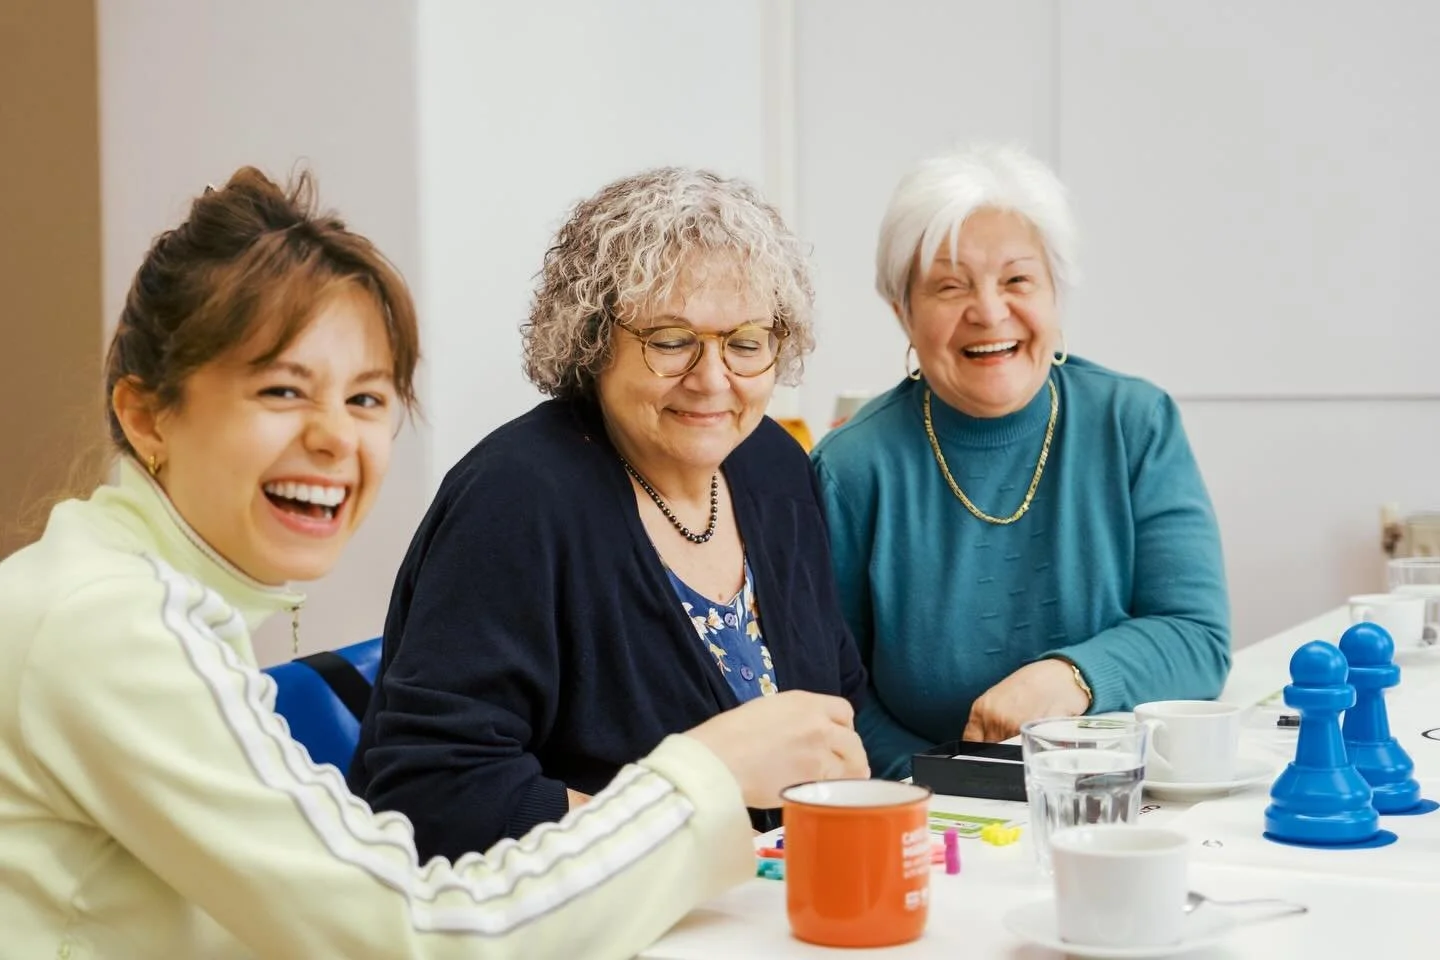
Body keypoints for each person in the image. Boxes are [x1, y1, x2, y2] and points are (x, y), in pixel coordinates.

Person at [0, 168, 867, 959]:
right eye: (281, 390)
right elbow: (411, 929)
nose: (334, 438)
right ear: (147, 417)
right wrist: (702, 776)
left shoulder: (151, 607)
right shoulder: (107, 627)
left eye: (366, 398)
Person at [349, 167, 868, 857]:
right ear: (593, 341)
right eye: (671, 341)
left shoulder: (773, 463)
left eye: (745, 342)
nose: (713, 380)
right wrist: (670, 829)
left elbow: (840, 699)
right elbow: (433, 794)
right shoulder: (515, 501)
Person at [810, 144, 1231, 780]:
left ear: (1054, 292)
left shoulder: (1133, 423)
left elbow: (1197, 637)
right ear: (903, 312)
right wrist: (948, 782)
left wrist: (1071, 678)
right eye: (950, 286)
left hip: (1121, 790)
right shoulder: (851, 467)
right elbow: (833, 694)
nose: (988, 311)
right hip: (932, 809)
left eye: (1016, 280)